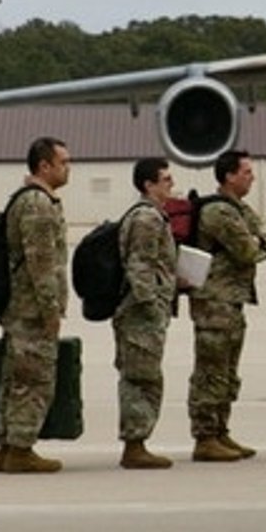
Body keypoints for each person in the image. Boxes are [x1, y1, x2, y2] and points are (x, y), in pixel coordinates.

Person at [189, 149, 266, 462]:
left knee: (227, 372)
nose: (251, 177)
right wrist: (262, 243)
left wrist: (260, 242)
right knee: (210, 372)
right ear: (228, 176)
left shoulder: (237, 209)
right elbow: (248, 251)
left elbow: (260, 238)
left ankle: (220, 431)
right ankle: (205, 436)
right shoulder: (219, 213)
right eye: (246, 172)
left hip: (232, 302)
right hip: (214, 303)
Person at [0, 136, 71, 474]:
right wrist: (51, 309)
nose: (68, 168)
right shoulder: (38, 204)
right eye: (63, 162)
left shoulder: (30, 200)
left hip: (21, 308)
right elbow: (41, 263)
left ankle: (9, 447)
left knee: (16, 378)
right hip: (32, 310)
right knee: (34, 379)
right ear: (44, 166)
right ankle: (21, 449)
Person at [113, 157, 180, 470]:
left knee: (143, 376)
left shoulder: (153, 216)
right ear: (148, 185)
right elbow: (140, 269)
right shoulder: (147, 219)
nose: (171, 184)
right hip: (141, 315)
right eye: (165, 179)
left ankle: (137, 442)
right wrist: (152, 307)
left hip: (145, 311)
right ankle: (135, 445)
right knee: (141, 378)